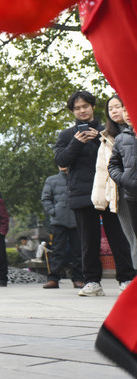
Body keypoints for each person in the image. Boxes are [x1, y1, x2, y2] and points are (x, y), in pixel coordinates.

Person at [54, 90, 136, 296]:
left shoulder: (108, 130)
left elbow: (121, 157)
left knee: (119, 238)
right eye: (77, 108)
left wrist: (97, 139)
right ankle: (91, 281)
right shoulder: (66, 135)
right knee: (87, 242)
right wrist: (77, 141)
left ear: (92, 107)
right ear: (72, 111)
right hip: (81, 194)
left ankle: (126, 278)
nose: (82, 111)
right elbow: (61, 160)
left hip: (110, 191)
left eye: (85, 106)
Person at [95, 95, 137, 266]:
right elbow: (105, 168)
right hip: (122, 191)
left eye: (118, 106)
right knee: (132, 237)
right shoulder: (109, 136)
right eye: (110, 108)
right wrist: (124, 179)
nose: (115, 111)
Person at [41, 166, 84, 289]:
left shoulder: (77, 178)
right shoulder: (51, 180)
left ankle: (78, 279)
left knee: (78, 251)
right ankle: (53, 279)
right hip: (58, 221)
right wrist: (54, 211)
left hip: (76, 219)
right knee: (57, 250)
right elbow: (45, 198)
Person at [108, 100, 137, 270]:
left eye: (129, 109)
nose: (126, 114)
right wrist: (123, 179)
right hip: (132, 195)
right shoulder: (121, 138)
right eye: (123, 110)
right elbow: (113, 165)